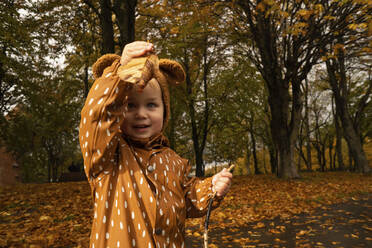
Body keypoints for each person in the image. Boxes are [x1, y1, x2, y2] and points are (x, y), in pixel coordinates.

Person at [79, 41, 233, 248]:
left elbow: (186, 200)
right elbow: (97, 118)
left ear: (164, 110)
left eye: (151, 105)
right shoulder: (107, 155)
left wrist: (210, 188)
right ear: (117, 108)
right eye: (130, 105)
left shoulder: (173, 161)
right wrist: (119, 73)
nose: (141, 114)